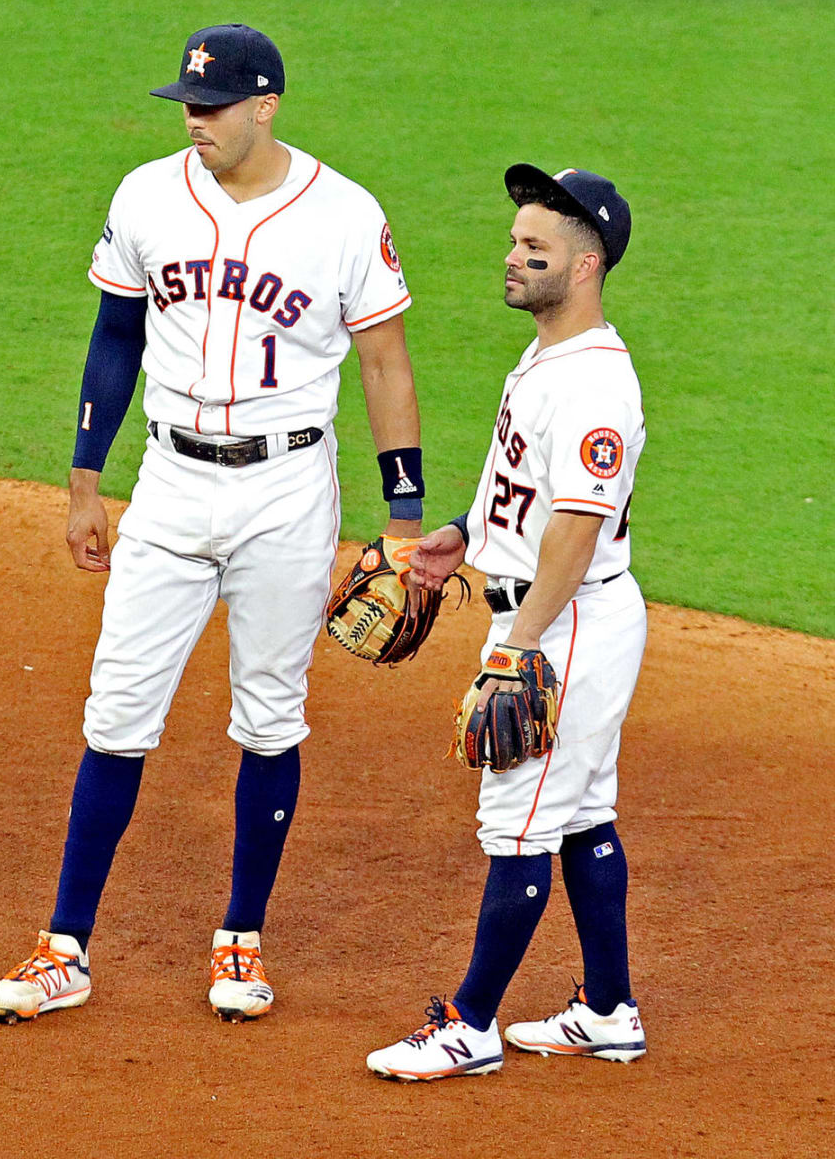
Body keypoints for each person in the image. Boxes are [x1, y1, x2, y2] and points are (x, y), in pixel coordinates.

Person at [0, 23, 427, 1024]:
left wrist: (403, 515)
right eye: (188, 102)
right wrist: (85, 481)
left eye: (215, 105)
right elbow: (116, 335)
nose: (196, 118)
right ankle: (64, 949)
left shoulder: (345, 215)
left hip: (287, 493)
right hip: (171, 484)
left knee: (270, 715)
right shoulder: (146, 195)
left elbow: (386, 362)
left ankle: (240, 939)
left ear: (266, 105)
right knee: (116, 712)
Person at [367, 164, 648, 1079]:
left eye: (537, 248)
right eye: (516, 241)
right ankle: (609, 1007)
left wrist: (519, 641)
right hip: (555, 611)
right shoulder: (545, 356)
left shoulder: (597, 382)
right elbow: (524, 494)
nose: (514, 258)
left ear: (589, 264)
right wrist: (459, 535)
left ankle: (471, 1023)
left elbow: (577, 523)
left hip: (562, 621)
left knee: (519, 820)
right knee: (580, 812)